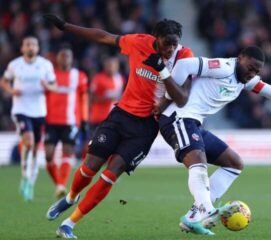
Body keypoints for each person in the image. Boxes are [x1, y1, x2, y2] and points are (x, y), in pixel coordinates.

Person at [147, 46, 271, 235]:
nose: (252, 73)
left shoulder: (246, 81)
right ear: (240, 58)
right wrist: (166, 99)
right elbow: (184, 65)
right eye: (250, 68)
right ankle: (205, 208)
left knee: (234, 163)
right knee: (198, 160)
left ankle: (193, 216)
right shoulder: (222, 67)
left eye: (257, 71)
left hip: (193, 124)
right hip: (177, 118)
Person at [43, 14, 199, 239]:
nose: (171, 49)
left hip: (146, 128)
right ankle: (70, 197)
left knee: (110, 174)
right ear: (156, 39)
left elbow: (183, 98)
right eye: (167, 44)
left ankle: (69, 224)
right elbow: (104, 37)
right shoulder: (139, 42)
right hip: (121, 116)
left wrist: (163, 73)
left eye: (175, 44)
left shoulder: (184, 56)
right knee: (90, 166)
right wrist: (66, 26)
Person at [0, 36, 57, 201]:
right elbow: (3, 81)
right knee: (29, 141)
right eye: (27, 44)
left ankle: (30, 180)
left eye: (33, 44)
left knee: (34, 148)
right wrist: (11, 91)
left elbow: (55, 86)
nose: (30, 47)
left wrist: (48, 87)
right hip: (21, 109)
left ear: (38, 48)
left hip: (39, 111)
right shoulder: (15, 64)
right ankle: (25, 175)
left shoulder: (45, 65)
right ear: (22, 48)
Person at [44, 46, 89, 199]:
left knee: (67, 152)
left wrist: (84, 119)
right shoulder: (50, 75)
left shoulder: (79, 76)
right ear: (57, 58)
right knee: (49, 155)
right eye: (62, 56)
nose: (64, 58)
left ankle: (61, 185)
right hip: (51, 120)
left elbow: (84, 98)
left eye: (67, 56)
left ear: (72, 59)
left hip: (71, 121)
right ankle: (59, 183)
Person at [89, 57, 124, 134]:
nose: (111, 67)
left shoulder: (120, 79)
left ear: (117, 66)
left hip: (114, 119)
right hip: (98, 118)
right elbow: (91, 97)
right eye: (109, 65)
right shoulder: (98, 78)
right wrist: (107, 98)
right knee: (94, 142)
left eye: (113, 65)